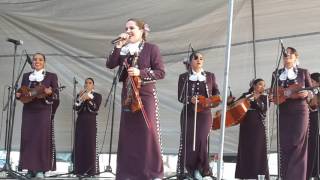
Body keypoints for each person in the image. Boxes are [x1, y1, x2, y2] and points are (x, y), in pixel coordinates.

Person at [106, 18, 165, 180]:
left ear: (142, 31)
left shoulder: (151, 48)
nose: (128, 31)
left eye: (132, 28)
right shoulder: (123, 49)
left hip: (145, 96)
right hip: (128, 97)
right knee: (128, 134)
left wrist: (141, 73)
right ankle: (128, 173)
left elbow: (161, 72)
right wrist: (118, 46)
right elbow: (110, 64)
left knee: (148, 132)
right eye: (126, 28)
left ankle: (152, 172)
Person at [270, 47, 312, 180]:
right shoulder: (276, 73)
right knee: (285, 143)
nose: (286, 56)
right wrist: (272, 97)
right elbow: (273, 92)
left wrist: (308, 93)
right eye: (285, 55)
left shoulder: (303, 72)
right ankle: (286, 176)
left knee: (298, 143)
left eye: (289, 54)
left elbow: (312, 91)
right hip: (283, 111)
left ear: (295, 57)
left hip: (300, 111)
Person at [176, 51, 220, 179]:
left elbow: (216, 92)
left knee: (201, 139)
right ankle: (187, 169)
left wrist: (214, 99)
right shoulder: (183, 77)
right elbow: (180, 96)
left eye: (201, 58)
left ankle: (203, 169)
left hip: (205, 113)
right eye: (196, 58)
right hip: (188, 113)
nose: (199, 60)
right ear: (190, 62)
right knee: (188, 140)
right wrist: (190, 99)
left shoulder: (210, 76)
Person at [16, 53, 59, 179]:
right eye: (35, 59)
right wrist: (18, 95)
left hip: (43, 111)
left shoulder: (51, 76)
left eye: (40, 59)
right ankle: (30, 169)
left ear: (44, 62)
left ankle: (40, 169)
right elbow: (22, 92)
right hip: (28, 111)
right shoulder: (26, 76)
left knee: (41, 139)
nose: (37, 61)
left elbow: (56, 94)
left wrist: (49, 92)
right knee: (28, 138)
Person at [235, 78, 269, 179]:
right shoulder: (245, 95)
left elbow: (264, 109)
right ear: (253, 86)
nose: (262, 87)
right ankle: (244, 174)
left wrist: (256, 99)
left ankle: (258, 175)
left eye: (263, 85)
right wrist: (230, 101)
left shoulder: (264, 97)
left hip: (258, 126)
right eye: (260, 84)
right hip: (245, 125)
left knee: (258, 149)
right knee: (245, 148)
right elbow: (236, 106)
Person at [73, 77, 102, 176]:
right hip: (80, 122)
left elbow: (95, 108)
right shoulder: (79, 94)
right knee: (80, 144)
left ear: (93, 85)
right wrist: (80, 99)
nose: (87, 84)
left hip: (90, 122)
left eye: (89, 83)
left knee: (90, 145)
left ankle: (91, 170)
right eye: (86, 83)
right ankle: (79, 170)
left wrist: (89, 99)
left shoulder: (97, 96)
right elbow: (76, 107)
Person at [306, 72, 320, 179]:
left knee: (315, 146)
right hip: (311, 122)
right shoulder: (310, 91)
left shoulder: (315, 91)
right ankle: (312, 173)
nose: (310, 83)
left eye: (312, 81)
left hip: (315, 121)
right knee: (312, 146)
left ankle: (314, 173)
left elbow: (313, 107)